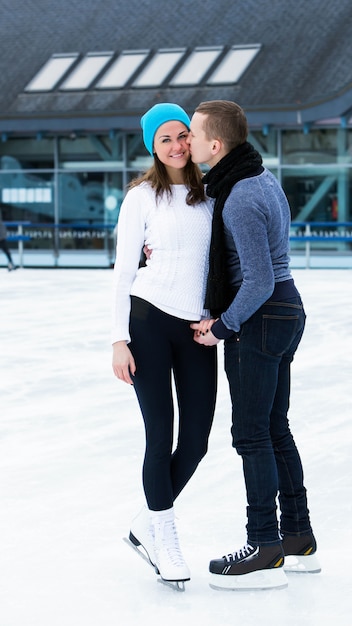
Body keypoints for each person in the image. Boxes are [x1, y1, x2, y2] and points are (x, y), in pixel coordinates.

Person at [187, 100, 320, 590]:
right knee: (274, 427)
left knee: (251, 434)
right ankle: (298, 536)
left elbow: (258, 279)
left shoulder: (239, 195)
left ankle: (264, 542)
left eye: (195, 136)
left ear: (216, 145)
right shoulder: (262, 178)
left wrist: (221, 327)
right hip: (285, 312)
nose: (188, 143)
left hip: (261, 319)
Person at [111, 103, 217, 588]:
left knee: (195, 442)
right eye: (165, 140)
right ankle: (164, 534)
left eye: (181, 136)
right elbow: (124, 273)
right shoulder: (141, 198)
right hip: (149, 322)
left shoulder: (211, 194)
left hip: (197, 330)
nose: (176, 146)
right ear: (153, 148)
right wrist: (118, 339)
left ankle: (146, 521)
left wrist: (217, 314)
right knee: (160, 435)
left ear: (194, 140)